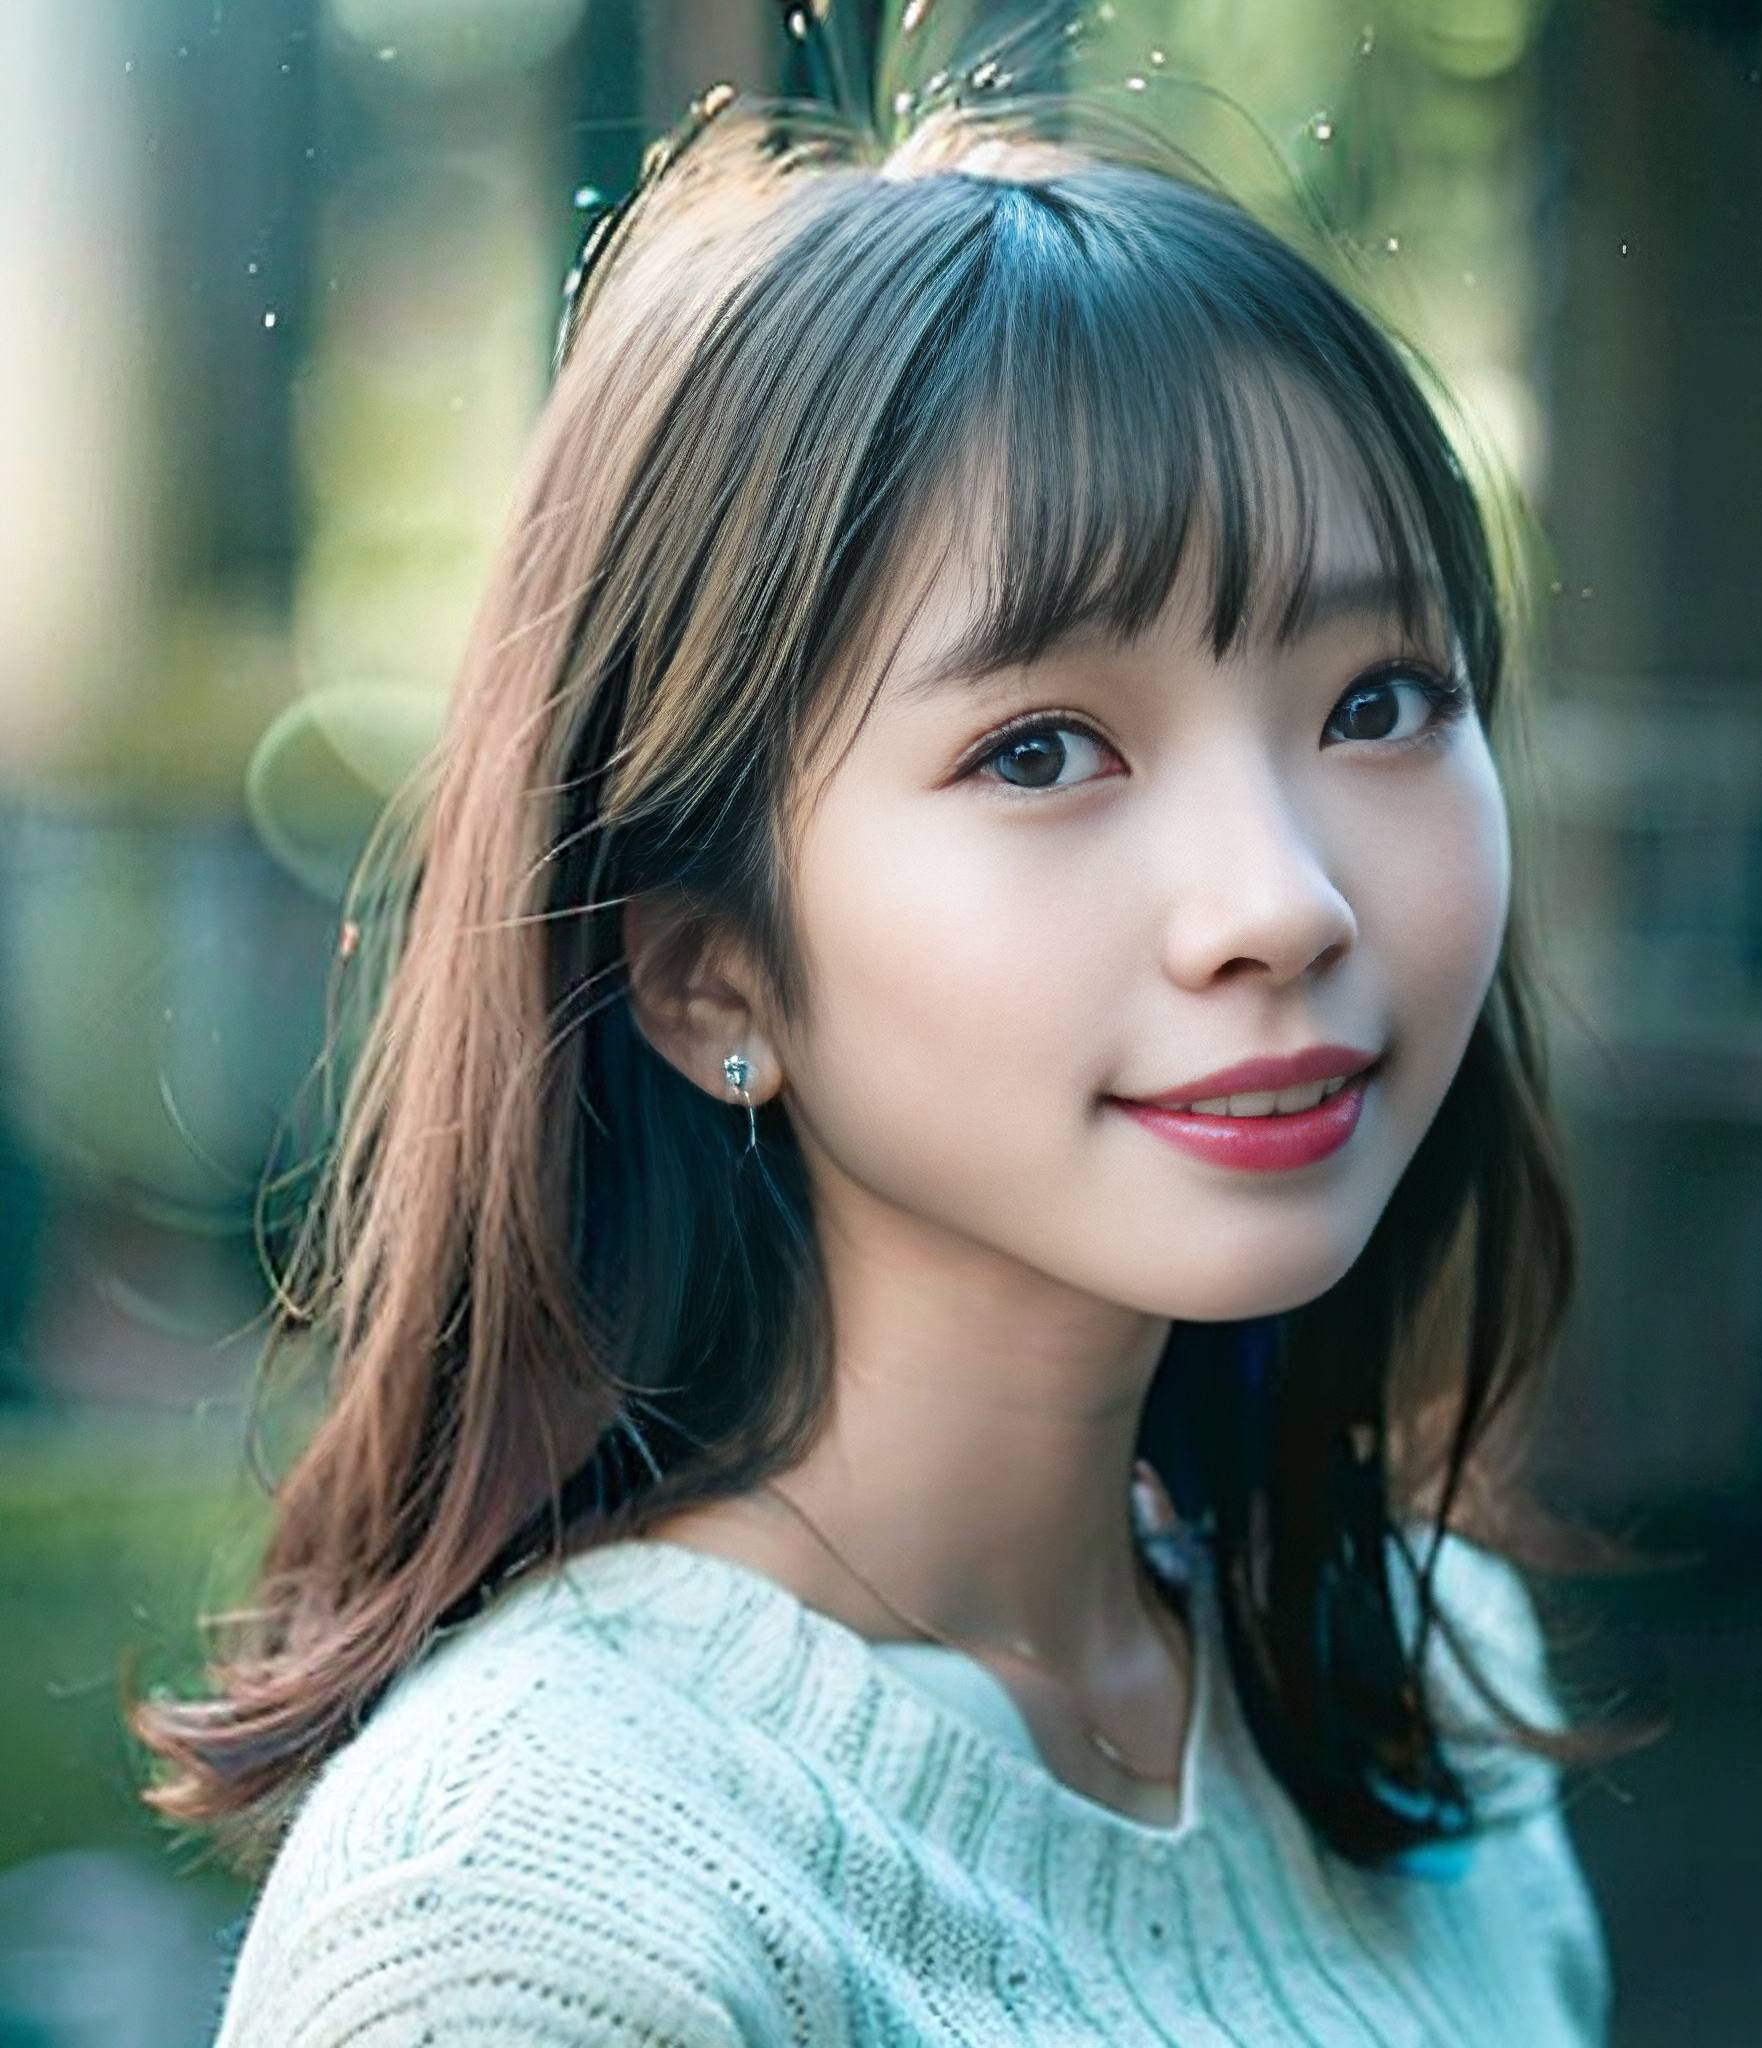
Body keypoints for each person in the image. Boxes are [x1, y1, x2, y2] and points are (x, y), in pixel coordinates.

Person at [131, 51, 1658, 2048]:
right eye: (1041, 749)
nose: (1279, 901)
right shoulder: (535, 1914)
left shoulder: (1422, 1676)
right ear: (707, 974)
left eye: (1376, 698)